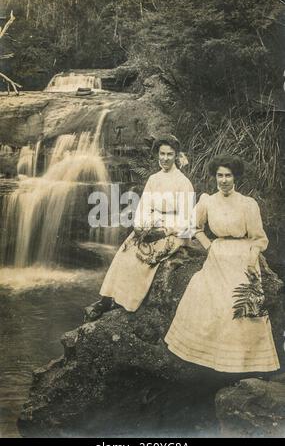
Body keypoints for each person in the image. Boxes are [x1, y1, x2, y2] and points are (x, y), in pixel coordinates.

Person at [165, 154, 280, 373]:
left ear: (235, 177)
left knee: (239, 304)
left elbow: (259, 238)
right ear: (214, 177)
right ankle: (208, 357)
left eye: (228, 175)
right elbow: (194, 227)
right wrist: (208, 245)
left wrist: (253, 257)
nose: (224, 180)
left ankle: (243, 363)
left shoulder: (248, 204)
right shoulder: (208, 201)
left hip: (242, 253)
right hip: (217, 254)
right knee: (205, 295)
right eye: (220, 175)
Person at [94, 135, 194, 315]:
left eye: (169, 154)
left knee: (142, 258)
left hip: (174, 232)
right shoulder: (154, 179)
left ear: (176, 155)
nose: (165, 158)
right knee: (125, 251)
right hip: (152, 226)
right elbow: (144, 208)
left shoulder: (183, 183)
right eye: (162, 154)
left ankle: (126, 301)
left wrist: (163, 231)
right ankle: (108, 297)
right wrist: (141, 226)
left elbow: (186, 220)